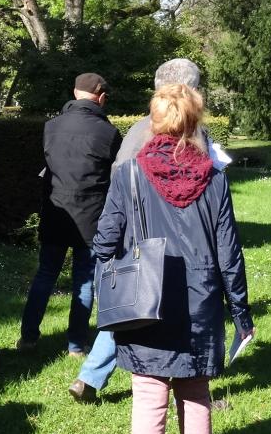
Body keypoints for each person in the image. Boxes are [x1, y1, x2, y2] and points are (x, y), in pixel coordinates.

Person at [91, 83, 254, 434]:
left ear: (154, 121)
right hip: (200, 301)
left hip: (146, 299)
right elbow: (229, 252)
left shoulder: (128, 174)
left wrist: (107, 287)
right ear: (194, 121)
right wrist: (241, 311)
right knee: (196, 392)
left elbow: (104, 242)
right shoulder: (214, 178)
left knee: (148, 396)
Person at [71, 57, 212, 403]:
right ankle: (193, 390)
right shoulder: (193, 133)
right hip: (174, 241)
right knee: (162, 311)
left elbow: (118, 179)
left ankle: (89, 377)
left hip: (132, 235)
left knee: (130, 304)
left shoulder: (137, 128)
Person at [18, 73, 121, 356]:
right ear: (100, 97)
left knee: (45, 275)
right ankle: (76, 343)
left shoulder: (51, 127)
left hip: (56, 210)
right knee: (84, 280)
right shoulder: (108, 133)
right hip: (91, 214)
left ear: (75, 93)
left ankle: (28, 336)